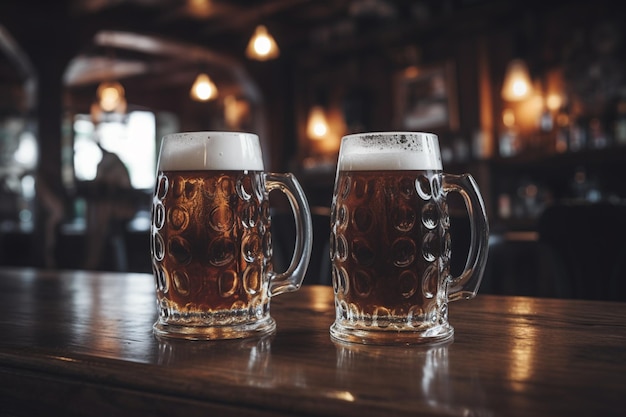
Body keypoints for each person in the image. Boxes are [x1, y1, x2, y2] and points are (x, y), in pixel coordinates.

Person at [84, 142, 136, 271]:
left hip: (121, 213)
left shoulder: (116, 169)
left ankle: (93, 259)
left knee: (101, 212)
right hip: (110, 211)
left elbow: (124, 194)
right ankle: (93, 258)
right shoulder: (109, 168)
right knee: (97, 210)